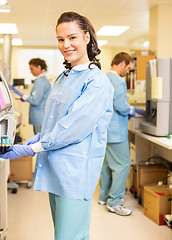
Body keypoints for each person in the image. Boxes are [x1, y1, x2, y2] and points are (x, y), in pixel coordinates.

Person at [1, 12, 114, 240]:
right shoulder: (64, 77)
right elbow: (58, 118)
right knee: (65, 234)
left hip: (74, 173)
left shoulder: (97, 82)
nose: (66, 45)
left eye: (72, 37)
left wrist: (30, 148)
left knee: (69, 237)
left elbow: (74, 128)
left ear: (86, 37)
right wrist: (40, 135)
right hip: (56, 169)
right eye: (60, 39)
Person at [98, 52, 135, 216]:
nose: (128, 71)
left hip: (105, 131)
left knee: (106, 165)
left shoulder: (104, 78)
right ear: (121, 63)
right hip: (116, 132)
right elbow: (121, 105)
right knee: (123, 165)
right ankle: (115, 202)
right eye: (128, 68)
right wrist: (131, 110)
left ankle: (103, 197)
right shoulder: (118, 81)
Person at [10, 58, 51, 134]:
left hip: (39, 118)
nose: (30, 72)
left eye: (32, 69)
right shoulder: (40, 80)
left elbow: (35, 100)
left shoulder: (41, 81)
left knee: (38, 140)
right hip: (39, 117)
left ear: (38, 67)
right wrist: (25, 98)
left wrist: (20, 94)